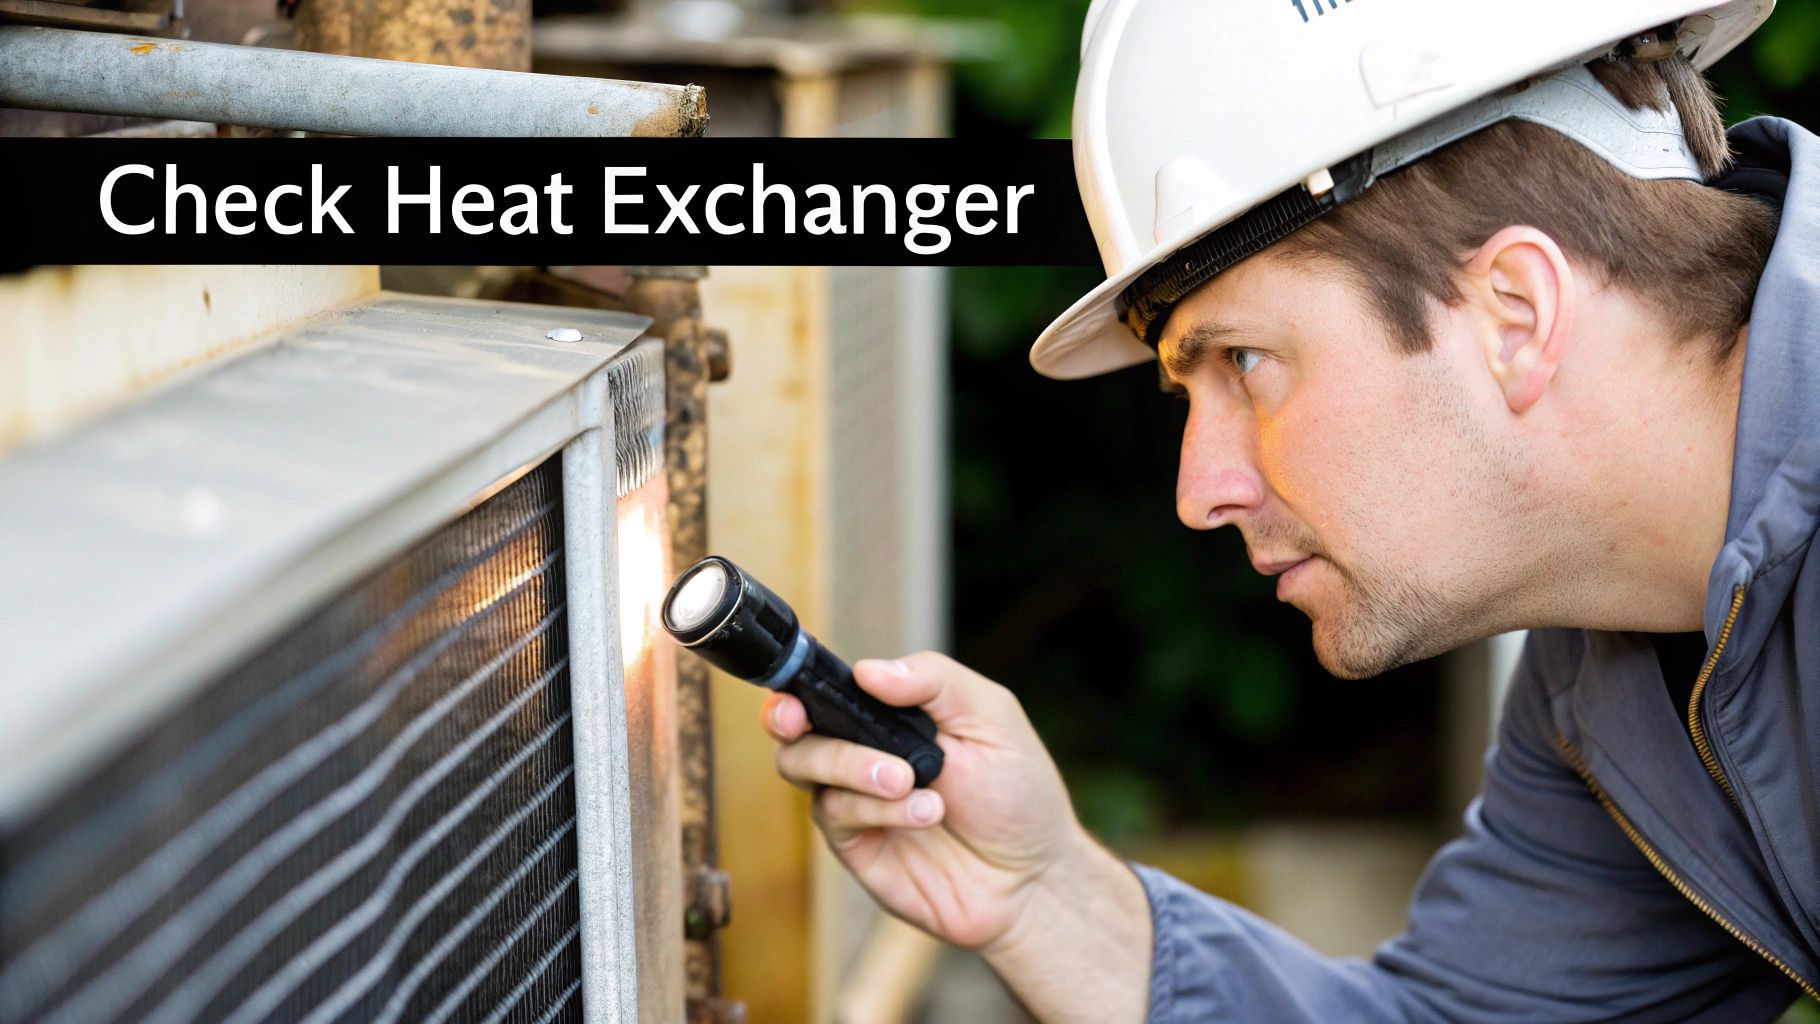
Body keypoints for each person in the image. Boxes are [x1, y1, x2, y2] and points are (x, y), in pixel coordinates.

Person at [763, 1, 1820, 1020]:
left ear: (1513, 313)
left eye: (1244, 360)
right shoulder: (1619, 671)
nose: (1197, 492)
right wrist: (1046, 897)